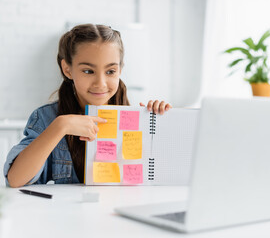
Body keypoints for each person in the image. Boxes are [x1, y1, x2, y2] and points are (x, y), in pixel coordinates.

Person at [4, 24, 172, 188]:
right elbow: (16, 180)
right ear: (67, 69)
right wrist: (61, 126)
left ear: (120, 70)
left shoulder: (139, 120)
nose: (100, 83)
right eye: (88, 71)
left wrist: (162, 122)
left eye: (110, 71)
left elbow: (165, 176)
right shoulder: (47, 118)